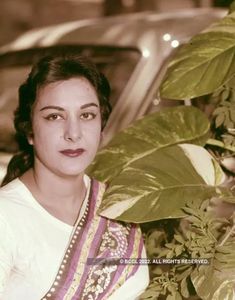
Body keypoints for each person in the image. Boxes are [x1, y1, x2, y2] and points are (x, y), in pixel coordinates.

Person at [0, 54, 149, 299]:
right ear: (29, 131)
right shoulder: (6, 216)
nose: (73, 133)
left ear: (101, 126)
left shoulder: (117, 206)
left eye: (87, 115)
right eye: (54, 116)